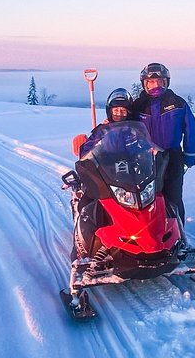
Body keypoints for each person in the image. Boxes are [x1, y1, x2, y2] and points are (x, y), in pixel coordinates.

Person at [131, 63, 195, 224]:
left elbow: (191, 132)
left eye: (159, 82)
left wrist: (189, 159)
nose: (155, 86)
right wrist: (107, 126)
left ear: (166, 82)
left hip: (172, 157)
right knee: (146, 198)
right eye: (151, 82)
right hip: (145, 159)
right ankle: (149, 235)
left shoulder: (177, 103)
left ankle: (178, 235)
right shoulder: (137, 106)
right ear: (144, 84)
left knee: (173, 197)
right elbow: (121, 125)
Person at [71, 88, 134, 260]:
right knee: (87, 203)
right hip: (106, 174)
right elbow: (87, 150)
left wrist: (151, 152)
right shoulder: (102, 130)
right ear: (110, 111)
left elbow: (144, 146)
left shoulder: (134, 130)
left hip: (131, 174)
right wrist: (91, 149)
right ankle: (81, 243)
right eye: (116, 111)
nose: (120, 114)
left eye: (123, 110)